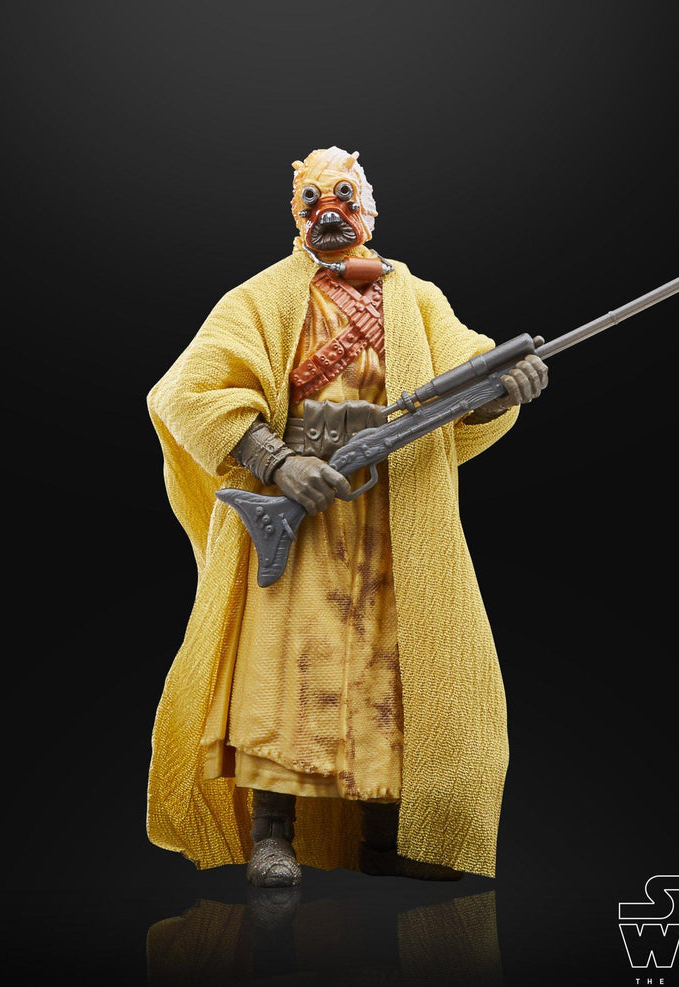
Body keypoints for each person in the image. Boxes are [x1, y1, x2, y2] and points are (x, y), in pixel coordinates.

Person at [146, 147, 548, 886]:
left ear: (370, 208)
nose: (329, 212)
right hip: (300, 507)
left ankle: (383, 838)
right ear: (295, 212)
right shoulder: (261, 298)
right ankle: (273, 836)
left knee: (390, 671)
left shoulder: (415, 298)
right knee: (280, 669)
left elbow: (466, 376)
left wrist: (504, 390)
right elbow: (189, 391)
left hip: (391, 514)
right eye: (313, 199)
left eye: (343, 195)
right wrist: (275, 462)